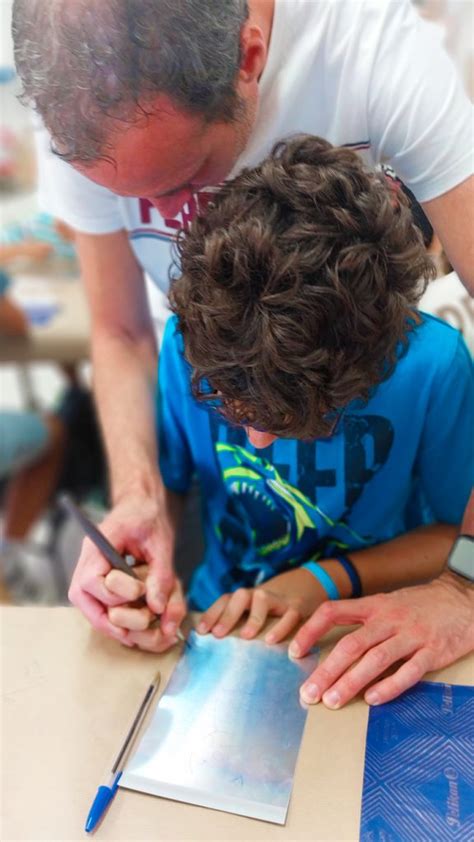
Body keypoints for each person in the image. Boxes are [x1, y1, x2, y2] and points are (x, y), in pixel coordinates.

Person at [12, 1, 473, 659]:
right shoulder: (72, 92)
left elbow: (447, 531)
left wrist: (465, 585)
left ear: (249, 58)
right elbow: (121, 330)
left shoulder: (376, 56)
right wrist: (139, 506)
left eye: (184, 179)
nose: (174, 220)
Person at [102, 137, 473, 712]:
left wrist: (325, 580)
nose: (255, 441)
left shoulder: (430, 366)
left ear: (368, 367)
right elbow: (168, 491)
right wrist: (148, 572)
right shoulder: (188, 343)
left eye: (290, 420)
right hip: (216, 620)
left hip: (368, 625)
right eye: (232, 408)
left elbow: (457, 536)